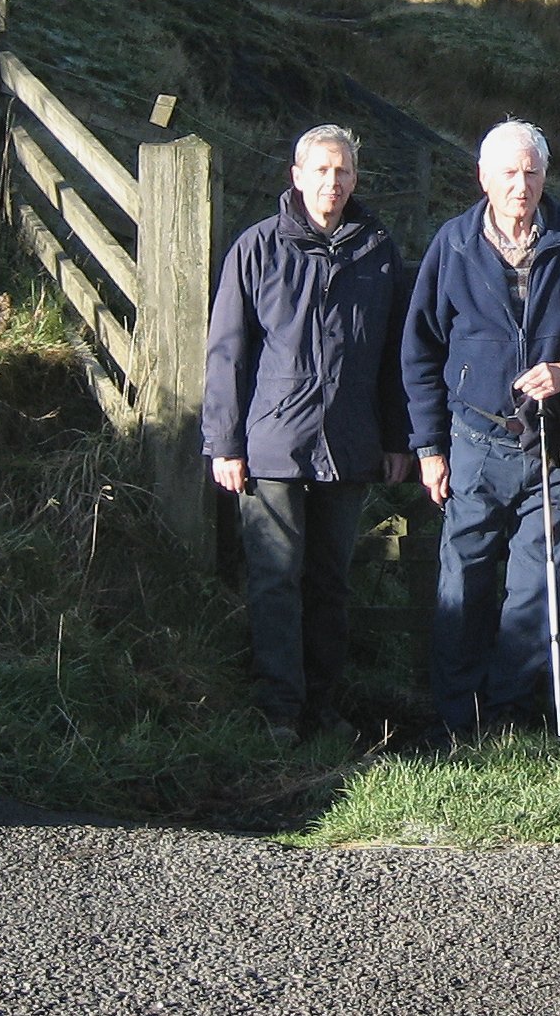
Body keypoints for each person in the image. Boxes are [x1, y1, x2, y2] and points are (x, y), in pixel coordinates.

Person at [402, 120, 560, 740]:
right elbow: (419, 350)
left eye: (530, 171)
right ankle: (458, 717)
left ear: (545, 175)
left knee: (535, 586)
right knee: (464, 578)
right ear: (483, 178)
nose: (520, 184)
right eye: (507, 172)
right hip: (475, 442)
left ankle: (510, 714)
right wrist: (428, 446)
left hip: (556, 445)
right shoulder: (454, 245)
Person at [203, 125, 410, 745]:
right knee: (274, 576)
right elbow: (228, 352)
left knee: (331, 581)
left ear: (356, 178)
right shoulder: (258, 248)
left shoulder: (377, 251)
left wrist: (398, 438)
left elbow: (395, 356)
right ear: (296, 175)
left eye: (343, 171)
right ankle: (278, 711)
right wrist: (225, 443)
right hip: (271, 446)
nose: (333, 182)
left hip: (350, 445)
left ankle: (323, 707)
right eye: (321, 170)